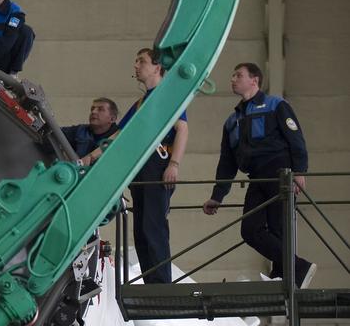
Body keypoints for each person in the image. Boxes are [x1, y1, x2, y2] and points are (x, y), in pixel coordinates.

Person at [202, 62, 315, 288]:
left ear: (254, 80)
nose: (233, 79)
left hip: (279, 172)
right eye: (233, 75)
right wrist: (218, 195)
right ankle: (297, 267)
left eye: (239, 75)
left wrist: (299, 172)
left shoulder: (275, 105)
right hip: (256, 176)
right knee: (250, 229)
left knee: (278, 228)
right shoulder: (232, 121)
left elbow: (296, 139)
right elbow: (227, 162)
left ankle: (283, 274)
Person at [88, 48, 188, 284]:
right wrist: (90, 157)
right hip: (141, 170)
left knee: (154, 227)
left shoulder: (167, 96)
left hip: (157, 168)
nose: (136, 65)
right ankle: (151, 282)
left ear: (157, 66)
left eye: (141, 61)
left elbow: (182, 129)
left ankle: (162, 284)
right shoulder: (143, 102)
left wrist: (174, 164)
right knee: (142, 229)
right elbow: (120, 135)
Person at [61, 99, 119, 166]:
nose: (93, 112)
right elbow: (55, 133)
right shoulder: (80, 130)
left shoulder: (119, 138)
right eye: (92, 109)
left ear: (112, 119)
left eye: (100, 109)